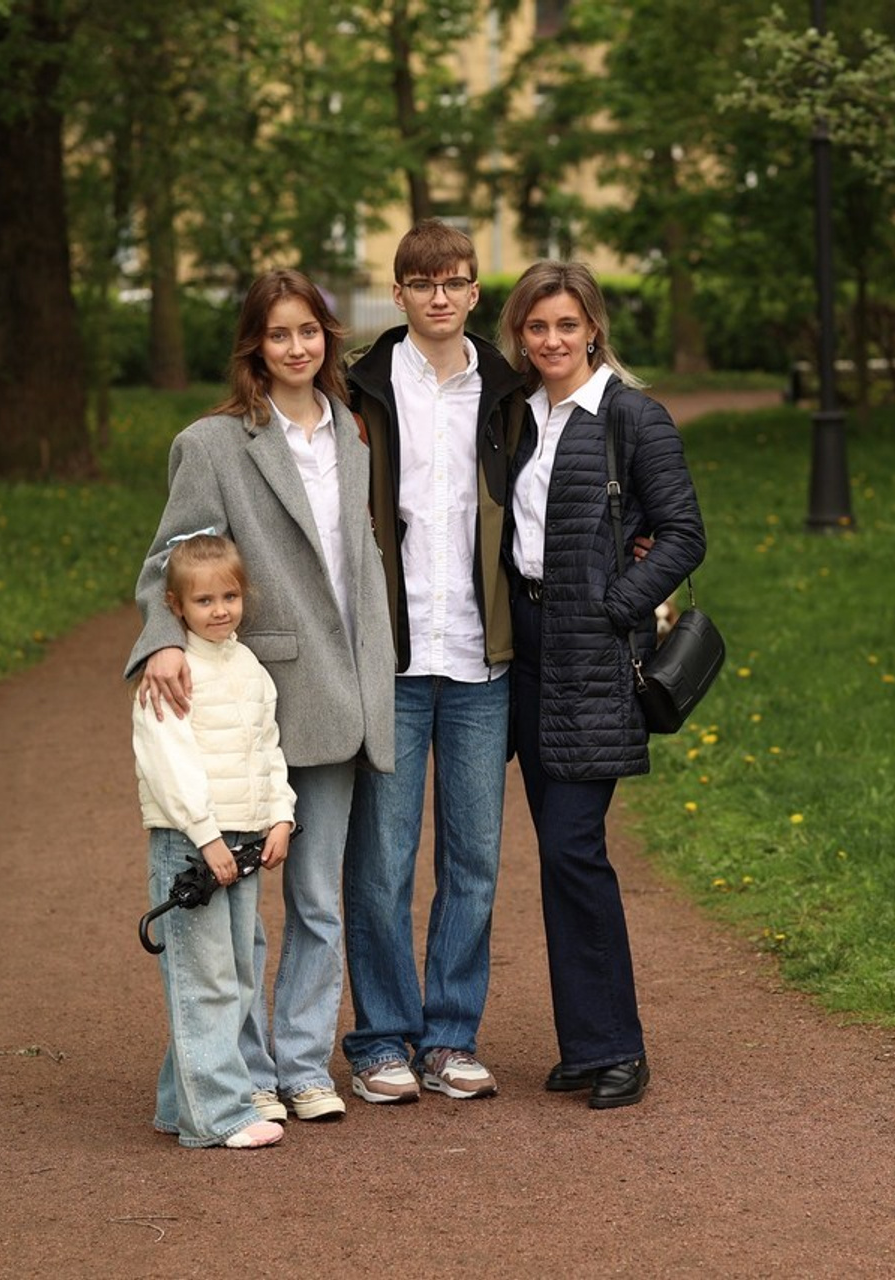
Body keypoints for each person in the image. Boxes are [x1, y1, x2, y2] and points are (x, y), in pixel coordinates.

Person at [125, 269, 394, 1124]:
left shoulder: (352, 431)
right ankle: (243, 1075)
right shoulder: (213, 444)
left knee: (319, 899)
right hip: (255, 705)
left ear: (328, 338)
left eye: (308, 332)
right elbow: (172, 558)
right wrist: (163, 641)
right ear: (255, 345)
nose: (296, 348)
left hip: (343, 691)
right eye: (278, 335)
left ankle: (304, 1062)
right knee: (239, 916)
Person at [498, 261, 706, 1110]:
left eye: (567, 326)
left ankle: (619, 1045)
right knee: (555, 854)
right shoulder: (516, 419)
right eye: (538, 327)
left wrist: (614, 606)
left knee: (574, 848)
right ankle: (584, 1043)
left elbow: (684, 533)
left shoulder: (630, 416)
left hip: (590, 651)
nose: (552, 341)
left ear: (594, 330)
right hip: (521, 648)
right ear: (521, 335)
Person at [340, 219, 526, 1103]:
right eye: (421, 283)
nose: (439, 296)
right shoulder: (362, 387)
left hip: (483, 658)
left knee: (474, 860)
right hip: (396, 658)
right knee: (380, 858)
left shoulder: (508, 387)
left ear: (474, 289)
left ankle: (450, 1036)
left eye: (453, 281)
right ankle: (381, 1037)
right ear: (401, 291)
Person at [133, 534, 296, 1149]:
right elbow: (167, 764)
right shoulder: (170, 671)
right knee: (205, 979)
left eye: (230, 595)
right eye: (204, 600)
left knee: (238, 973)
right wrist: (205, 839)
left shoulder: (247, 664)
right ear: (176, 606)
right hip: (191, 843)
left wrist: (279, 814)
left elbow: (266, 746)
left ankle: (179, 1104)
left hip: (244, 837)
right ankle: (219, 1116)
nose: (220, 609)